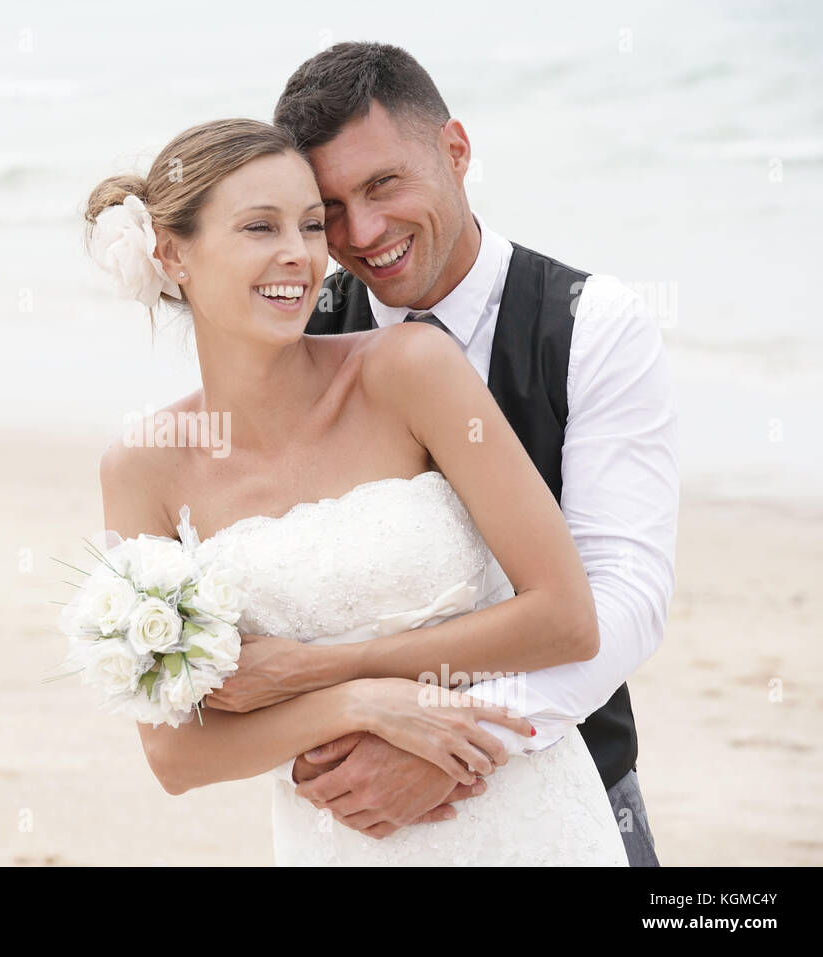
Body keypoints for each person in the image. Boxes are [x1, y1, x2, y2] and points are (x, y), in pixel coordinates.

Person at [86, 115, 630, 864]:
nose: (299, 256)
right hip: (337, 839)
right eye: (259, 227)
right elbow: (176, 756)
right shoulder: (143, 468)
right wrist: (354, 703)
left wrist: (322, 669)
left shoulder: (411, 369)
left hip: (517, 816)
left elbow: (566, 620)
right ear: (173, 253)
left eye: (312, 225)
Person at [264, 41, 679, 866]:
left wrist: (452, 743)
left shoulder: (591, 324)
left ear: (455, 149)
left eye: (383, 184)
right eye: (332, 207)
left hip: (569, 786)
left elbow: (628, 596)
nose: (363, 232)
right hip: (357, 816)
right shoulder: (297, 335)